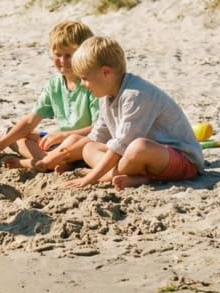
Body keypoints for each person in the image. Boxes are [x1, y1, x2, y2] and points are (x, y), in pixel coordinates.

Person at [63, 36, 204, 190]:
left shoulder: (135, 95)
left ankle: (109, 176)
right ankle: (136, 177)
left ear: (105, 72)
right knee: (89, 148)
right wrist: (58, 156)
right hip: (134, 158)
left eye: (84, 78)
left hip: (181, 160)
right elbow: (98, 135)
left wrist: (91, 177)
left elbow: (121, 144)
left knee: (139, 147)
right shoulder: (105, 96)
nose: (82, 84)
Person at [0, 20, 99, 170]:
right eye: (58, 55)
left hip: (83, 142)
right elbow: (30, 121)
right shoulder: (55, 84)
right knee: (12, 135)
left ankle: (38, 162)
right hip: (61, 142)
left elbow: (99, 128)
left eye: (69, 55)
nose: (62, 61)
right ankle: (49, 160)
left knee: (71, 140)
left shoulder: (91, 84)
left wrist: (63, 136)